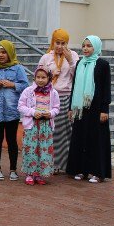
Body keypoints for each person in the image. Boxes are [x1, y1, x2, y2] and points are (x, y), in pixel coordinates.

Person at [0, 40, 29, 181]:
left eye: (4, 52)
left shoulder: (18, 68)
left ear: (10, 53)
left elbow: (26, 85)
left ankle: (13, 169)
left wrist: (12, 84)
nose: (1, 55)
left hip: (12, 110)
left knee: (11, 140)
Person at [66, 35, 112, 183]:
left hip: (96, 108)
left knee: (96, 140)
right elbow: (75, 86)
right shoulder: (80, 63)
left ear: (96, 47)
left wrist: (105, 109)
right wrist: (71, 108)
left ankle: (97, 172)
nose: (85, 48)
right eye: (84, 46)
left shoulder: (102, 64)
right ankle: (80, 170)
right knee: (80, 138)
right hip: (80, 108)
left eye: (89, 46)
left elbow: (106, 88)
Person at [38, 29, 79, 174]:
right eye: (57, 42)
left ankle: (68, 164)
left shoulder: (73, 55)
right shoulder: (46, 57)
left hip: (66, 96)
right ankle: (52, 163)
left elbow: (77, 77)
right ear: (52, 42)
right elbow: (38, 77)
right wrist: (50, 75)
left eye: (63, 43)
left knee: (66, 132)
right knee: (51, 131)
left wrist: (71, 61)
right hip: (49, 97)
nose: (60, 46)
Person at [17, 65, 60, 185]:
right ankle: (30, 174)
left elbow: (57, 108)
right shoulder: (28, 91)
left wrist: (50, 113)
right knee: (31, 149)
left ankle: (40, 174)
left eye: (44, 77)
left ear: (49, 78)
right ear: (34, 78)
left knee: (44, 150)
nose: (40, 80)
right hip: (32, 126)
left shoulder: (53, 92)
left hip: (46, 127)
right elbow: (21, 106)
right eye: (38, 77)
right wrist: (32, 112)